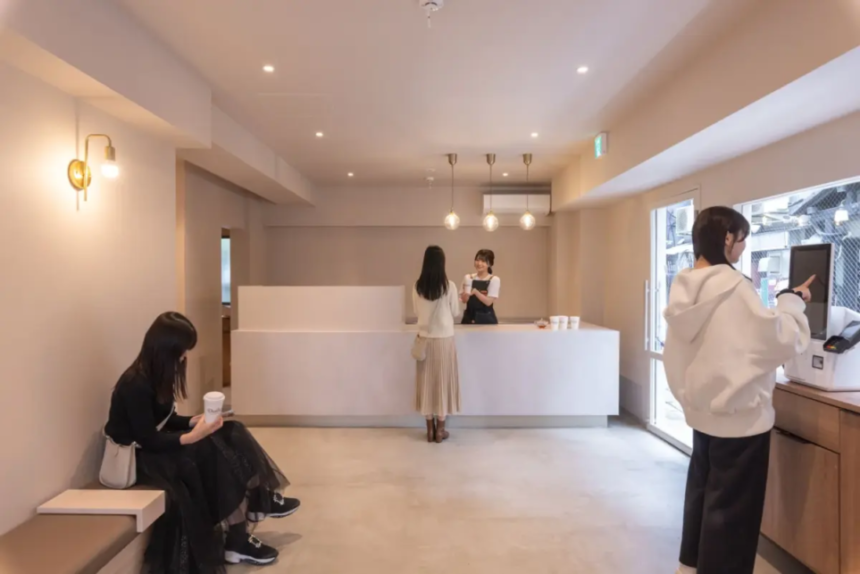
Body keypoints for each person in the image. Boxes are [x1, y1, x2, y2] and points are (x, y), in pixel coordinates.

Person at [663, 207, 813, 574]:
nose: (743, 247)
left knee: (703, 500)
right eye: (742, 238)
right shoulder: (732, 288)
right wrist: (791, 303)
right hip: (740, 421)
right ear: (726, 237)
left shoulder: (684, 290)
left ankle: (690, 567)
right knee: (732, 517)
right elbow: (775, 339)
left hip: (703, 417)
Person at [104, 312, 299, 573]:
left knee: (232, 430)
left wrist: (191, 422)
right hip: (137, 460)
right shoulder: (134, 384)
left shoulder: (155, 375)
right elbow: (148, 439)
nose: (185, 356)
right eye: (183, 350)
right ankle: (241, 533)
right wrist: (191, 437)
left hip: (151, 448)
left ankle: (257, 503)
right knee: (210, 451)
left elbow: (165, 420)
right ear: (166, 348)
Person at [414, 246, 462, 443]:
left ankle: (430, 430)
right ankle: (441, 430)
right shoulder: (449, 286)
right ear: (442, 263)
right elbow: (456, 312)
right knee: (442, 384)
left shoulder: (417, 286)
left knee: (427, 385)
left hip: (425, 341)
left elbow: (418, 312)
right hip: (444, 341)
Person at [460, 249, 501, 324]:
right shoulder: (468, 277)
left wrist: (476, 292)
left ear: (490, 264)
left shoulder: (494, 279)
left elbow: (488, 302)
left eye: (483, 261)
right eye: (477, 260)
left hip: (486, 319)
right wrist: (465, 296)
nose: (479, 263)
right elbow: (464, 301)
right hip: (468, 319)